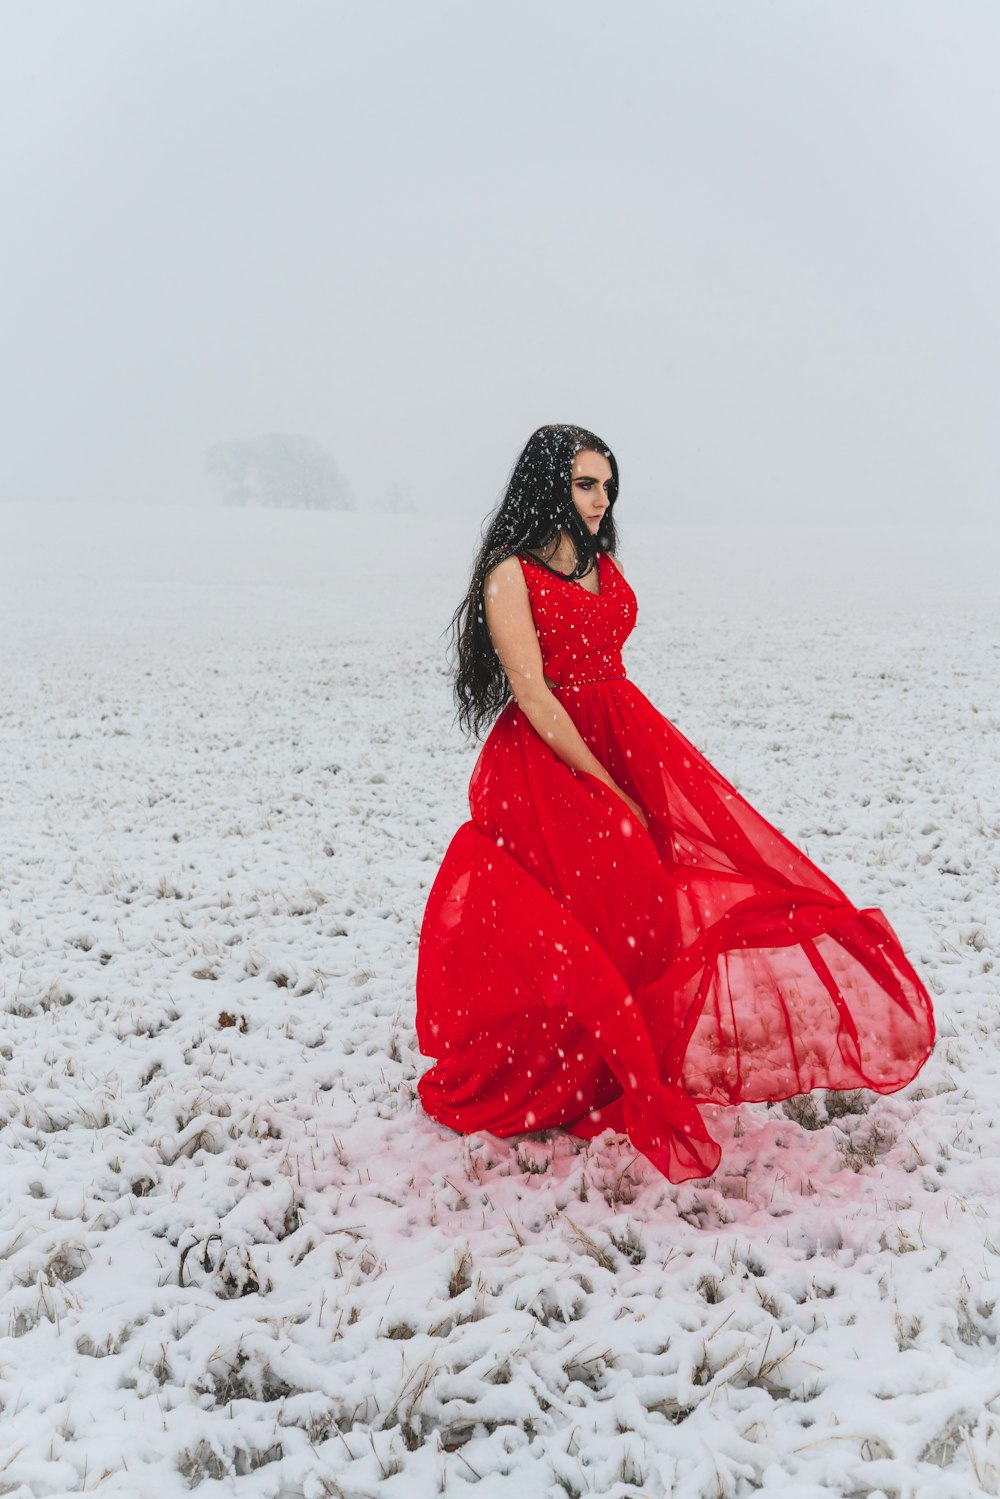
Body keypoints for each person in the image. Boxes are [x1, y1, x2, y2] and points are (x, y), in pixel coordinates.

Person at [414, 424, 935, 1184]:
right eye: (585, 484)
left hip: (629, 737)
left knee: (651, 897)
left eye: (607, 485)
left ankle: (611, 1061)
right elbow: (533, 695)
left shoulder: (603, 562)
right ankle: (554, 1073)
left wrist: (632, 769)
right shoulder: (509, 576)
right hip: (548, 763)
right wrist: (604, 782)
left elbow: (605, 655)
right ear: (547, 484)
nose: (600, 500)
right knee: (577, 917)